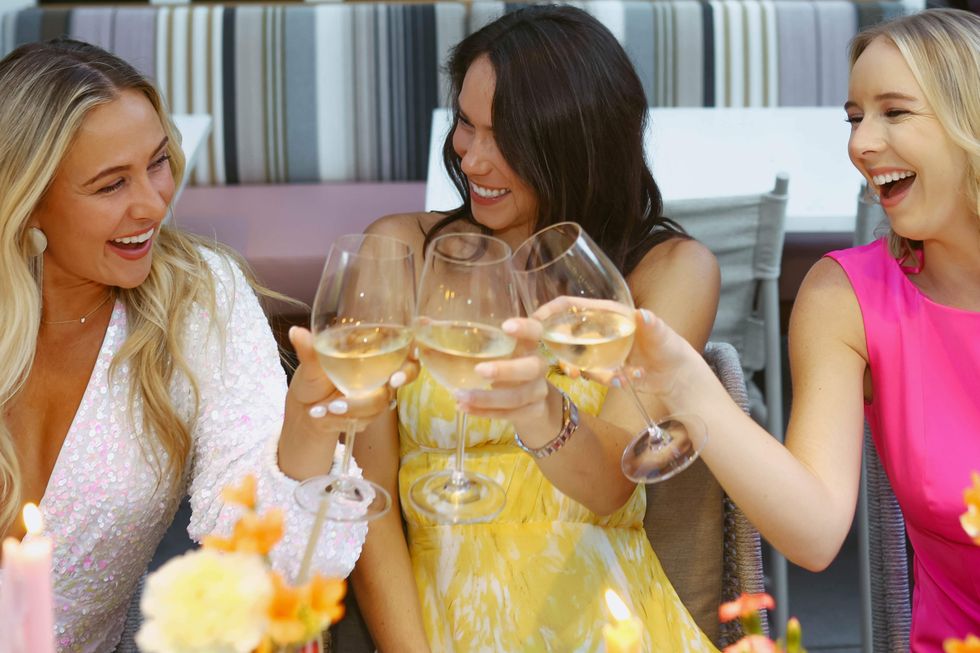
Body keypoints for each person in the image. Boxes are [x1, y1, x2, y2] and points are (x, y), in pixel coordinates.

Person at [0, 39, 392, 652]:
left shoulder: (199, 297)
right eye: (110, 186)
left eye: (158, 162)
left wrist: (307, 430)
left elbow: (270, 557)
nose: (156, 203)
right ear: (27, 201)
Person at [352, 6, 722, 652]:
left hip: (609, 615)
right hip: (447, 616)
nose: (471, 157)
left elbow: (610, 483)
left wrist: (540, 405)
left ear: (575, 145)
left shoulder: (668, 272)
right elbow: (368, 498)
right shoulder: (400, 250)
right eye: (466, 124)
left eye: (505, 138)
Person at [618, 9, 980, 651]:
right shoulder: (846, 296)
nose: (860, 144)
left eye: (894, 113)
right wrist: (682, 379)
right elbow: (812, 532)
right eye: (854, 117)